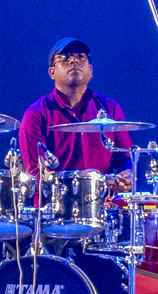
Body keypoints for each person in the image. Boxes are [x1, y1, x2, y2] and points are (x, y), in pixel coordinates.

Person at [17, 38, 133, 189]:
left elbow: (126, 157)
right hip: (56, 201)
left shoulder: (110, 108)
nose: (74, 60)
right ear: (52, 72)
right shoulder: (36, 114)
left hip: (104, 199)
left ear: (90, 71)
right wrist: (80, 185)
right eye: (64, 57)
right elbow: (35, 173)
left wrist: (128, 174)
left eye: (80, 56)